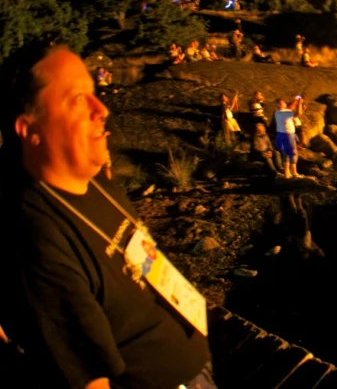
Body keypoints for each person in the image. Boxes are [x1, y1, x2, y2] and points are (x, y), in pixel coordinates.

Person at [0, 42, 216, 389]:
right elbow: (89, 379)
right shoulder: (37, 239)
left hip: (193, 359)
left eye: (94, 93)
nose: (102, 109)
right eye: (77, 100)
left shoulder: (94, 180)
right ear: (29, 129)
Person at [274, 95, 304, 179]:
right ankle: (286, 173)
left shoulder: (286, 112)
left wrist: (300, 104)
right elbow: (291, 108)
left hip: (291, 134)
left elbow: (299, 114)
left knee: (294, 153)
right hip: (285, 134)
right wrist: (296, 99)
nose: (285, 103)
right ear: (279, 104)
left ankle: (294, 172)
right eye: (283, 103)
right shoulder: (279, 112)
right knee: (287, 153)